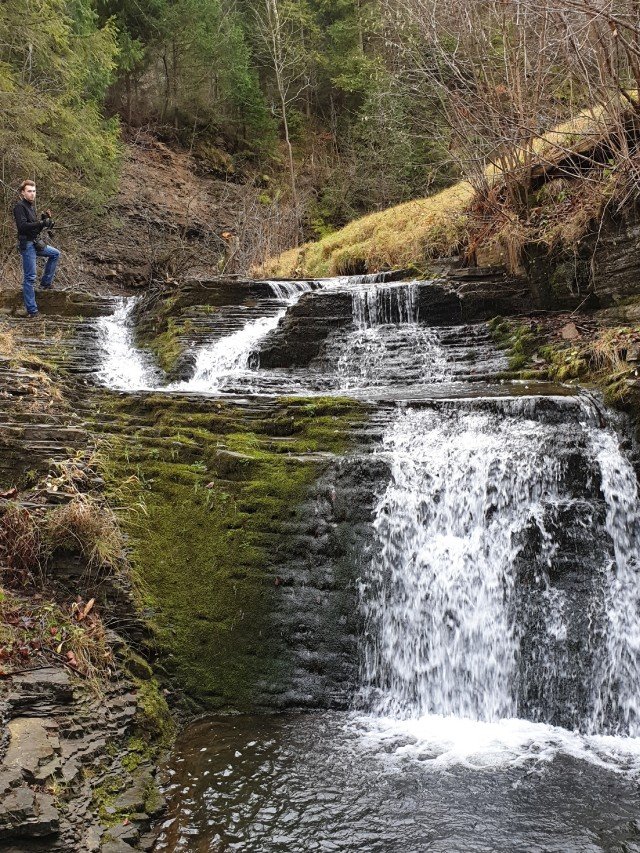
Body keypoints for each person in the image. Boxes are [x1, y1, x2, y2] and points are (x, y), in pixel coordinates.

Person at [13, 179, 60, 317]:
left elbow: (34, 227)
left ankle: (45, 283)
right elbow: (22, 227)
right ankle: (32, 311)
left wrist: (45, 222)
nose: (32, 194)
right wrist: (40, 222)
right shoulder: (19, 207)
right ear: (23, 193)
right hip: (27, 245)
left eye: (34, 191)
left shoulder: (31, 207)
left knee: (55, 254)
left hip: (35, 242)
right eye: (29, 191)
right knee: (30, 277)